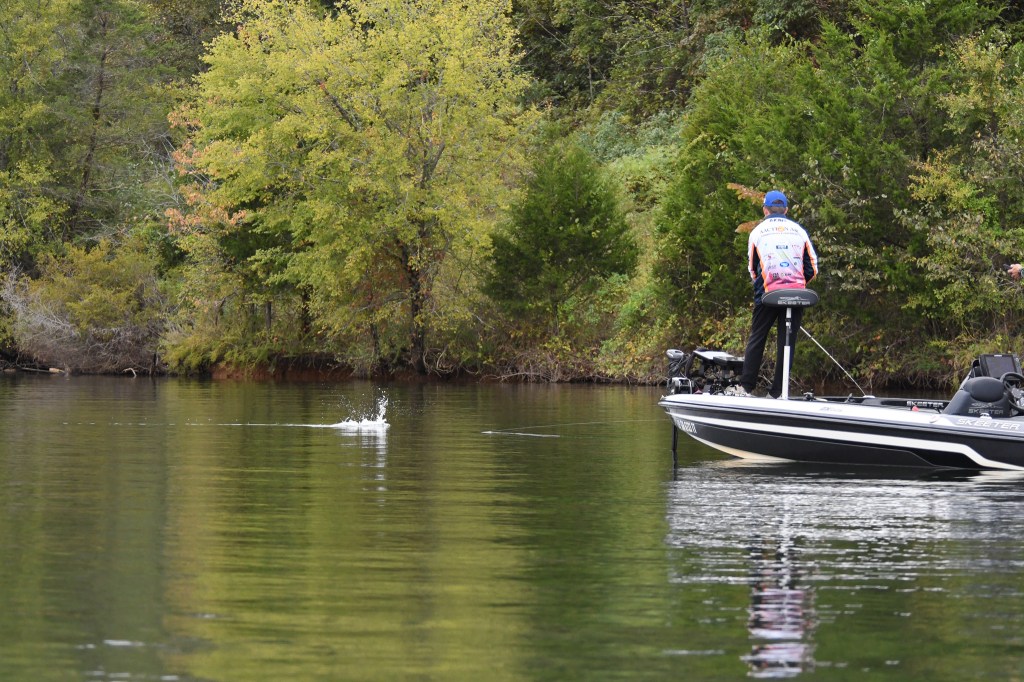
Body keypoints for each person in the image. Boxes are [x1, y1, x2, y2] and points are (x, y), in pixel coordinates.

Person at [728, 190, 818, 398]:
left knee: (758, 336)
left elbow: (752, 268)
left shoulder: (757, 232)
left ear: (765, 210)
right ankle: (777, 392)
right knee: (787, 341)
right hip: (796, 293)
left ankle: (746, 387)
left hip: (767, 292)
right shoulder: (800, 231)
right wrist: (797, 282)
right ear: (786, 210)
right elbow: (812, 267)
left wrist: (761, 285)